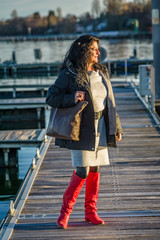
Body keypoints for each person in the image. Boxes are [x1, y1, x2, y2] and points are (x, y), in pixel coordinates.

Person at [46, 35, 122, 229]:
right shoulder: (70, 74)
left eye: (98, 48)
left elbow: (110, 103)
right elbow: (51, 96)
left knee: (96, 169)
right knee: (82, 170)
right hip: (81, 130)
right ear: (83, 51)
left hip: (101, 127)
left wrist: (117, 127)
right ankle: (65, 213)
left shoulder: (101, 72)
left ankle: (91, 213)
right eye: (93, 49)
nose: (98, 52)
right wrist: (72, 97)